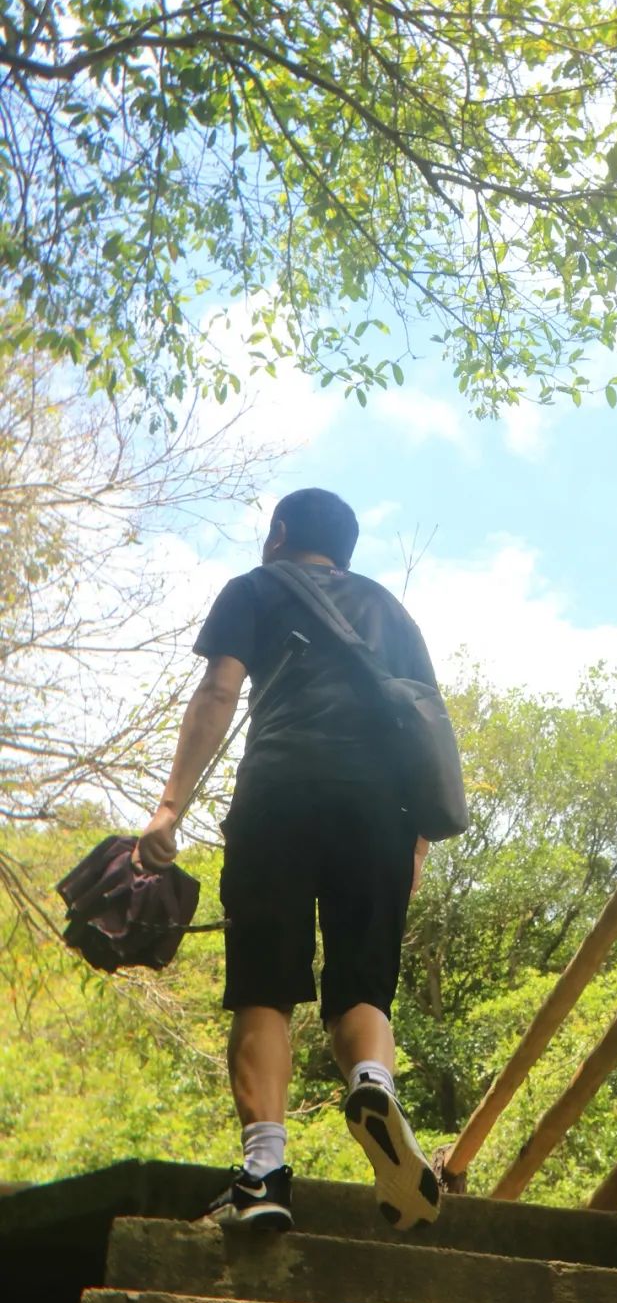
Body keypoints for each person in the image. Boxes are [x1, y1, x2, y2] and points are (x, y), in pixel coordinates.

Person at [136, 488, 455, 1234]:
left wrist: (171, 807)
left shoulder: (255, 588)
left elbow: (219, 690)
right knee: (361, 991)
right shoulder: (390, 610)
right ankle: (373, 1082)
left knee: (265, 989)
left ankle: (262, 1174)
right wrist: (415, 844)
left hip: (279, 797)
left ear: (278, 533)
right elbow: (425, 729)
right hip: (381, 812)